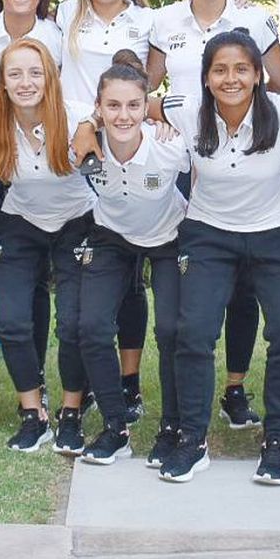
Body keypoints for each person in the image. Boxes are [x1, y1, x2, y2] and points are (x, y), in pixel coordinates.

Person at [157, 32, 280, 483]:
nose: (231, 79)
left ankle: (277, 442)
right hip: (209, 233)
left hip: (277, 232)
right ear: (206, 78)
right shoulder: (186, 112)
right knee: (194, 333)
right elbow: (129, 104)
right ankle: (192, 440)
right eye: (220, 70)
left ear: (258, 75)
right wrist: (91, 124)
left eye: (242, 69)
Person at [148, 0, 280, 429]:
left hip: (248, 158)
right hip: (188, 161)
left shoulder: (253, 19)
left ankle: (234, 386)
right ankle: (188, 406)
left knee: (247, 290)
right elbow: (145, 87)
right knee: (205, 292)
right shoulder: (164, 21)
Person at [56, 0, 156, 420]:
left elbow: (149, 86)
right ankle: (88, 380)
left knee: (133, 279)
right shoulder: (65, 16)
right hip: (79, 148)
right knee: (93, 273)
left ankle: (129, 380)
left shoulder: (146, 19)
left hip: (124, 142)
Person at [75, 52, 191, 466]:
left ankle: (172, 427)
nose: (123, 116)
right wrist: (85, 127)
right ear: (99, 108)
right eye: (113, 106)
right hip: (111, 235)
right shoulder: (84, 142)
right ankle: (115, 425)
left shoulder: (170, 145)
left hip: (168, 237)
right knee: (90, 326)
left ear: (147, 107)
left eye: (133, 106)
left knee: (171, 331)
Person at [0, 38, 98, 453]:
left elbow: (114, 110)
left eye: (35, 72)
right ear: (1, 83)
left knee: (72, 323)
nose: (25, 81)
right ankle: (33, 412)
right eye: (14, 73)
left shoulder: (75, 116)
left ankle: (72, 411)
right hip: (20, 222)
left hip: (76, 221)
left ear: (50, 77)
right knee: (12, 321)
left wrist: (91, 124)